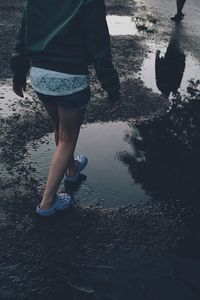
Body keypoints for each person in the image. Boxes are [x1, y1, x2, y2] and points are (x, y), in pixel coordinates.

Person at [11, 0, 120, 217]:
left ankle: (71, 169)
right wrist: (112, 88)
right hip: (71, 79)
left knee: (60, 129)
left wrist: (18, 73)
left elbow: (22, 37)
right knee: (67, 138)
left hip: (40, 77)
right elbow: (99, 46)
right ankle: (48, 202)